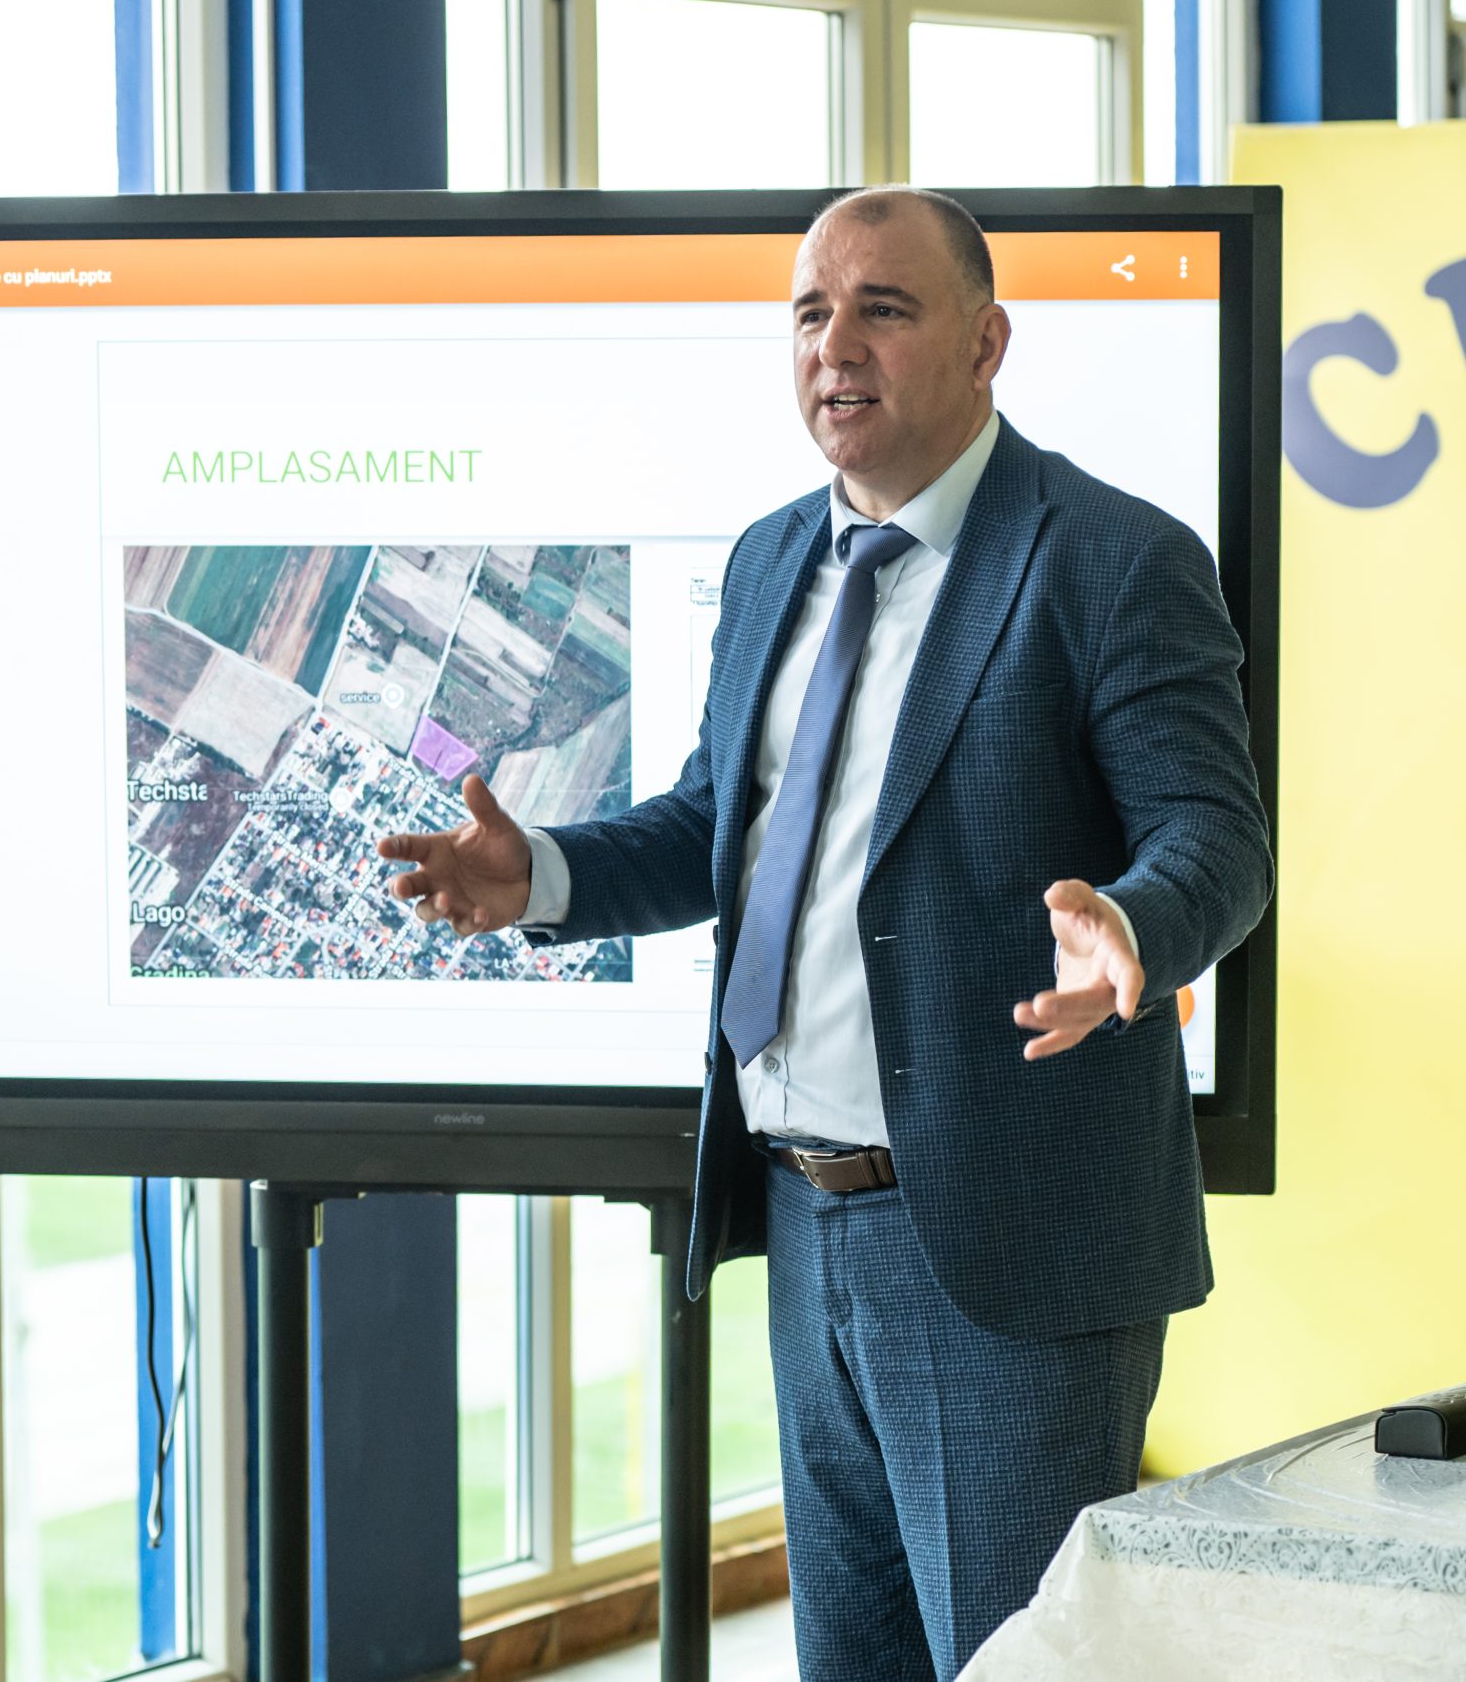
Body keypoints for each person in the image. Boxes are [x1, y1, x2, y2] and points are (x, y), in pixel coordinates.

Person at [379, 188, 1270, 1680]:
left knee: (1009, 1665)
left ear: (987, 343)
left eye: (883, 309)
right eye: (809, 312)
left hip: (1011, 1242)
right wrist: (541, 875)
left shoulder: (1111, 558)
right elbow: (718, 823)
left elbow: (1216, 837)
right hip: (805, 1218)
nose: (834, 346)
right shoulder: (774, 555)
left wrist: (1133, 923)